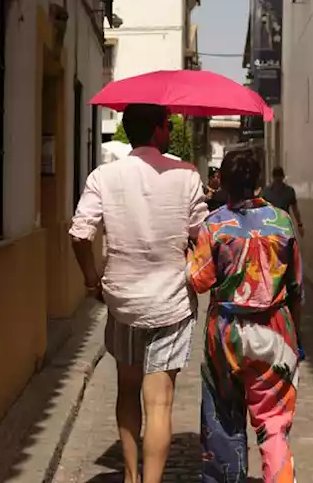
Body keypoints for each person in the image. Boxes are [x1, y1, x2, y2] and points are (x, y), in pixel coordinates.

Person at [69, 103, 208, 483]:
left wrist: (91, 279)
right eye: (167, 124)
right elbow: (201, 235)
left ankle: (130, 477)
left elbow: (80, 234)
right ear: (160, 130)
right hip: (171, 303)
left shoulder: (104, 176)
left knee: (127, 391)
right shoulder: (186, 175)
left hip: (123, 303)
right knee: (159, 402)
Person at [187, 148, 304, 483]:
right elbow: (296, 288)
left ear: (222, 180)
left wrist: (189, 251)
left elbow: (199, 281)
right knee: (275, 427)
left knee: (223, 425)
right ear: (258, 182)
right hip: (277, 332)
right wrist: (298, 338)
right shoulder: (282, 221)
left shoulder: (215, 225)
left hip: (226, 337)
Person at [260, 165, 304, 237]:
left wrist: (299, 225)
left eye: (279, 180)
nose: (278, 183)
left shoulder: (289, 191)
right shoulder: (266, 192)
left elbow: (295, 209)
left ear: (283, 177)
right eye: (276, 180)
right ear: (273, 178)